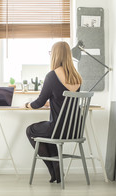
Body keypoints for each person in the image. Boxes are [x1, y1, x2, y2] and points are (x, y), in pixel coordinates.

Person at [25, 41, 82, 183]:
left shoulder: (52, 75)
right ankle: (57, 171)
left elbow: (38, 103)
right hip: (75, 129)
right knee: (47, 132)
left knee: (31, 130)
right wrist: (52, 102)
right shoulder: (77, 77)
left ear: (55, 55)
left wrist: (27, 105)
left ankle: (54, 169)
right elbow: (65, 99)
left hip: (58, 129)